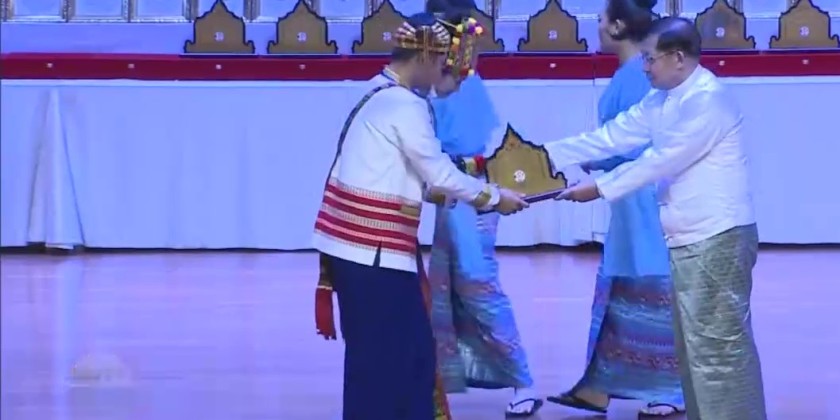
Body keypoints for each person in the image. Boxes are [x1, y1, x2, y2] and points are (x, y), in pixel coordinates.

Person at [544, 17, 767, 420]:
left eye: (650, 58)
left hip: (716, 238)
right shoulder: (661, 99)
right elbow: (613, 136)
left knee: (718, 351)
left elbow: (660, 160)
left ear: (678, 58)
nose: (644, 67)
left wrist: (599, 187)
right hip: (687, 239)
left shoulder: (708, 100)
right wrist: (541, 156)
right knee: (694, 350)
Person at [311, 12, 529, 420]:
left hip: (356, 248)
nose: (448, 76)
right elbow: (438, 172)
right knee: (401, 359)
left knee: (380, 359)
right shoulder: (405, 105)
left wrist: (446, 193)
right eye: (446, 65)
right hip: (372, 251)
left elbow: (410, 175)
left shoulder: (377, 90)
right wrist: (493, 196)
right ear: (427, 57)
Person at [545, 1, 685, 418]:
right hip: (627, 200)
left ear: (619, 26)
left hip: (643, 199)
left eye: (602, 20)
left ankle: (672, 389)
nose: (598, 27)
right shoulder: (631, 74)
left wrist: (588, 164)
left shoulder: (639, 77)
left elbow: (638, 145)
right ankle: (598, 387)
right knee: (620, 291)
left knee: (651, 288)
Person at [423, 2, 542, 418]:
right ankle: (438, 378)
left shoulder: (459, 81)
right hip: (453, 195)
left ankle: (523, 380)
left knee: (477, 282)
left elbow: (468, 150)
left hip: (469, 193)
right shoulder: (443, 81)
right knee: (448, 283)